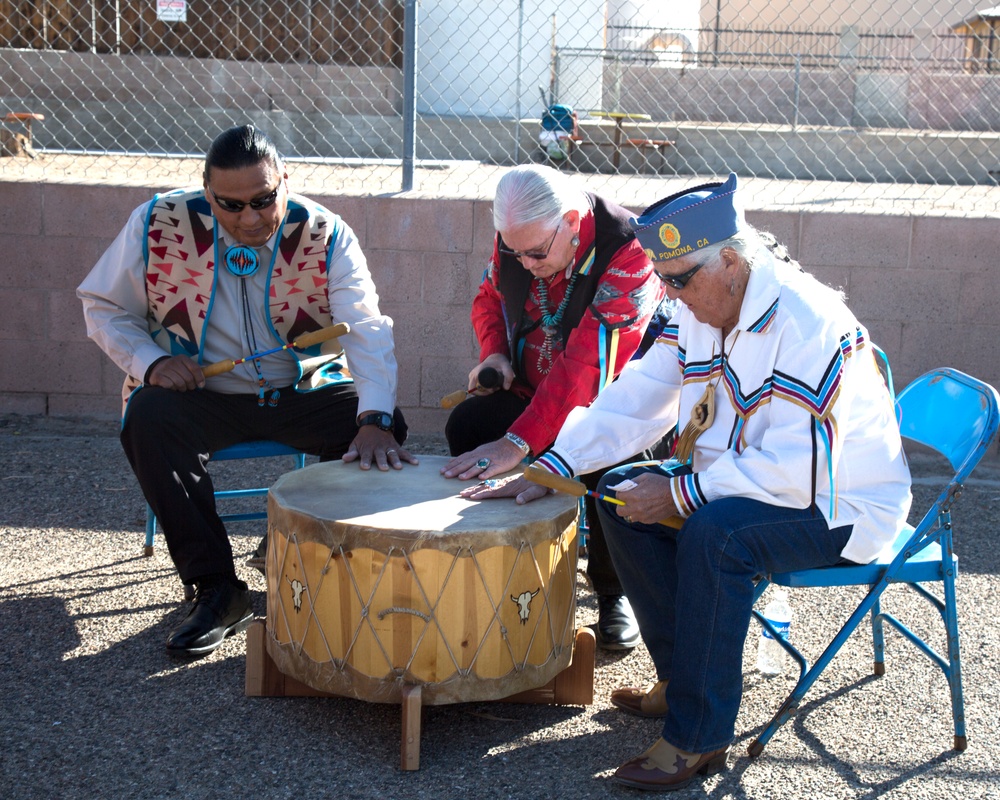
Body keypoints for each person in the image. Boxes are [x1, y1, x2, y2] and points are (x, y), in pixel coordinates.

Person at [498, 173, 912, 790]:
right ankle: (682, 677)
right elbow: (640, 397)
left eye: (680, 279)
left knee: (716, 535)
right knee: (619, 495)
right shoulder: (699, 301)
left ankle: (699, 735)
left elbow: (798, 471)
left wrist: (678, 493)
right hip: (753, 481)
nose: (668, 292)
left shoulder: (808, 322)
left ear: (731, 260)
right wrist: (556, 465)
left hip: (838, 502)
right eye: (663, 278)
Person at [78, 124, 417, 658]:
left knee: (379, 422)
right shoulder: (158, 222)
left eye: (264, 199)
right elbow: (103, 306)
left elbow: (365, 326)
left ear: (286, 180)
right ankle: (216, 589)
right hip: (204, 395)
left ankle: (298, 556)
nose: (250, 218)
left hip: (300, 389)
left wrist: (373, 417)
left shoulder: (326, 232)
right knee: (148, 417)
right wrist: (153, 361)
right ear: (207, 191)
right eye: (230, 206)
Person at [440, 164, 671, 650]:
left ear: (570, 221)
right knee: (469, 425)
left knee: (618, 468)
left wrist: (518, 442)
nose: (523, 263)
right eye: (513, 251)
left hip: (615, 405)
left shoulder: (632, 252)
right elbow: (489, 297)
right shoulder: (524, 237)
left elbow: (589, 365)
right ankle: (500, 569)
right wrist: (495, 352)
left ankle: (613, 591)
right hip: (534, 395)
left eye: (535, 253)